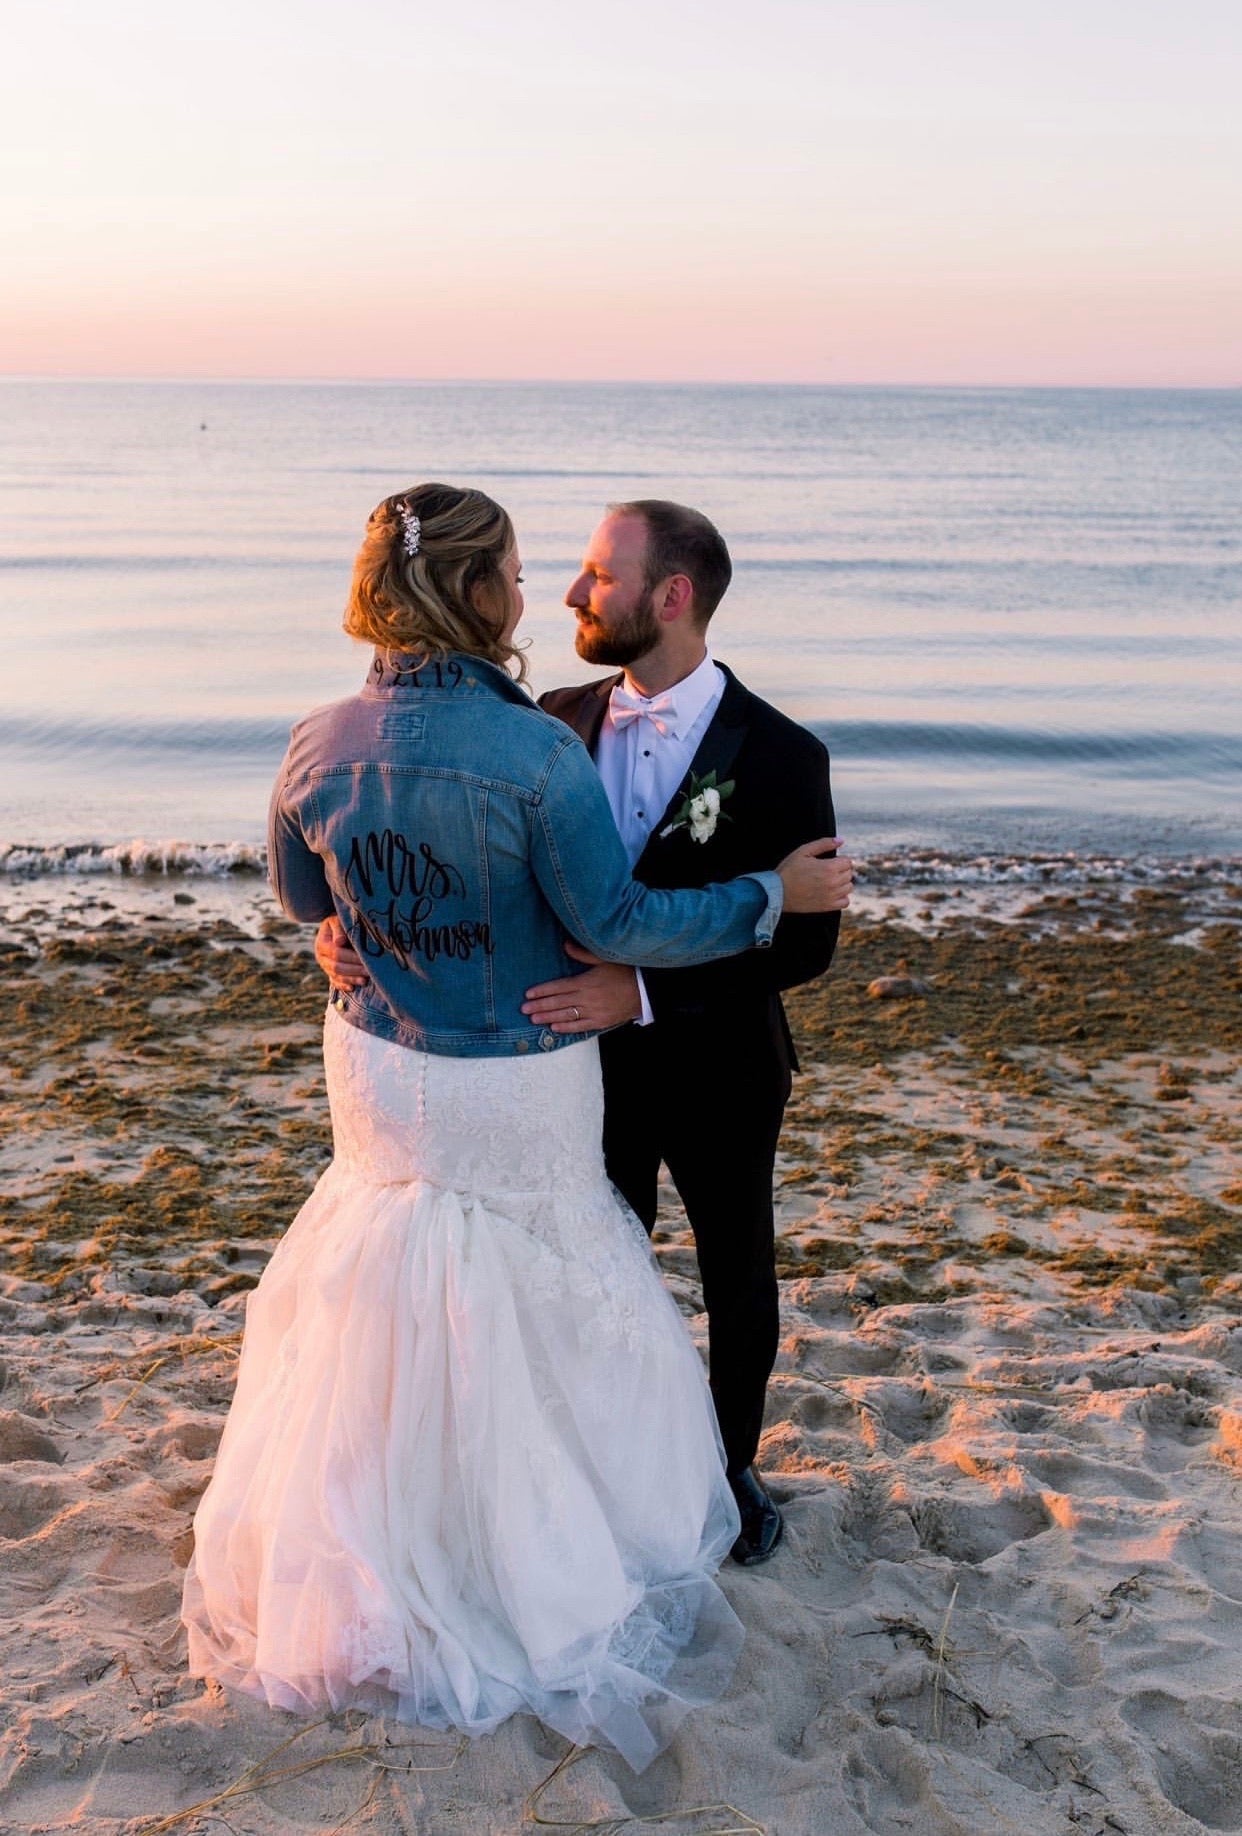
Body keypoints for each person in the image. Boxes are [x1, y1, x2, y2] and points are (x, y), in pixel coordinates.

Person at [181, 481, 853, 1774]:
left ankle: (398, 1519)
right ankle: (539, 1539)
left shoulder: (316, 740)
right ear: (475, 590)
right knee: (554, 1283)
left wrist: (358, 934)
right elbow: (614, 922)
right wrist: (766, 893)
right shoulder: (541, 743)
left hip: (384, 1064)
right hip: (519, 1066)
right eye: (523, 570)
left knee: (397, 1271)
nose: (549, 592)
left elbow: (304, 895)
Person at [320, 501, 840, 1567]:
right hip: (566, 1068)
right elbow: (464, 869)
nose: (570, 594)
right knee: (591, 1271)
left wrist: (637, 993)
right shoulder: (548, 722)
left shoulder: (786, 753)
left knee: (736, 1273)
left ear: (673, 596)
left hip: (720, 1063)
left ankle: (731, 1470)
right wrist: (356, 924)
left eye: (601, 576)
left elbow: (803, 946)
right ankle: (601, 1469)